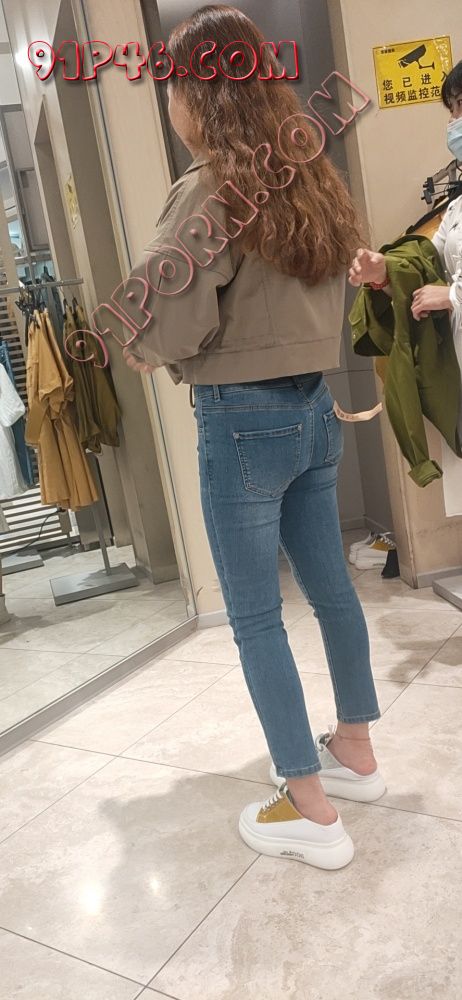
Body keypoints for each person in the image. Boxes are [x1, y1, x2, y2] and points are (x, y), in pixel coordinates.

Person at [124, 4, 385, 871]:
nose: (171, 104)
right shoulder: (308, 173)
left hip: (241, 418)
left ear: (199, 93)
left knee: (254, 615)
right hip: (313, 407)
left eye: (173, 86)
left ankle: (308, 807)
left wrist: (144, 346)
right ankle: (355, 751)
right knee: (332, 589)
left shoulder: (210, 189)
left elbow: (168, 312)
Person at [350, 60, 462, 325]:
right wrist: (384, 272)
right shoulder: (456, 207)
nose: (453, 120)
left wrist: (452, 295)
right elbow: (428, 264)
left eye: (461, 104)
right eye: (452, 109)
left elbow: (448, 293)